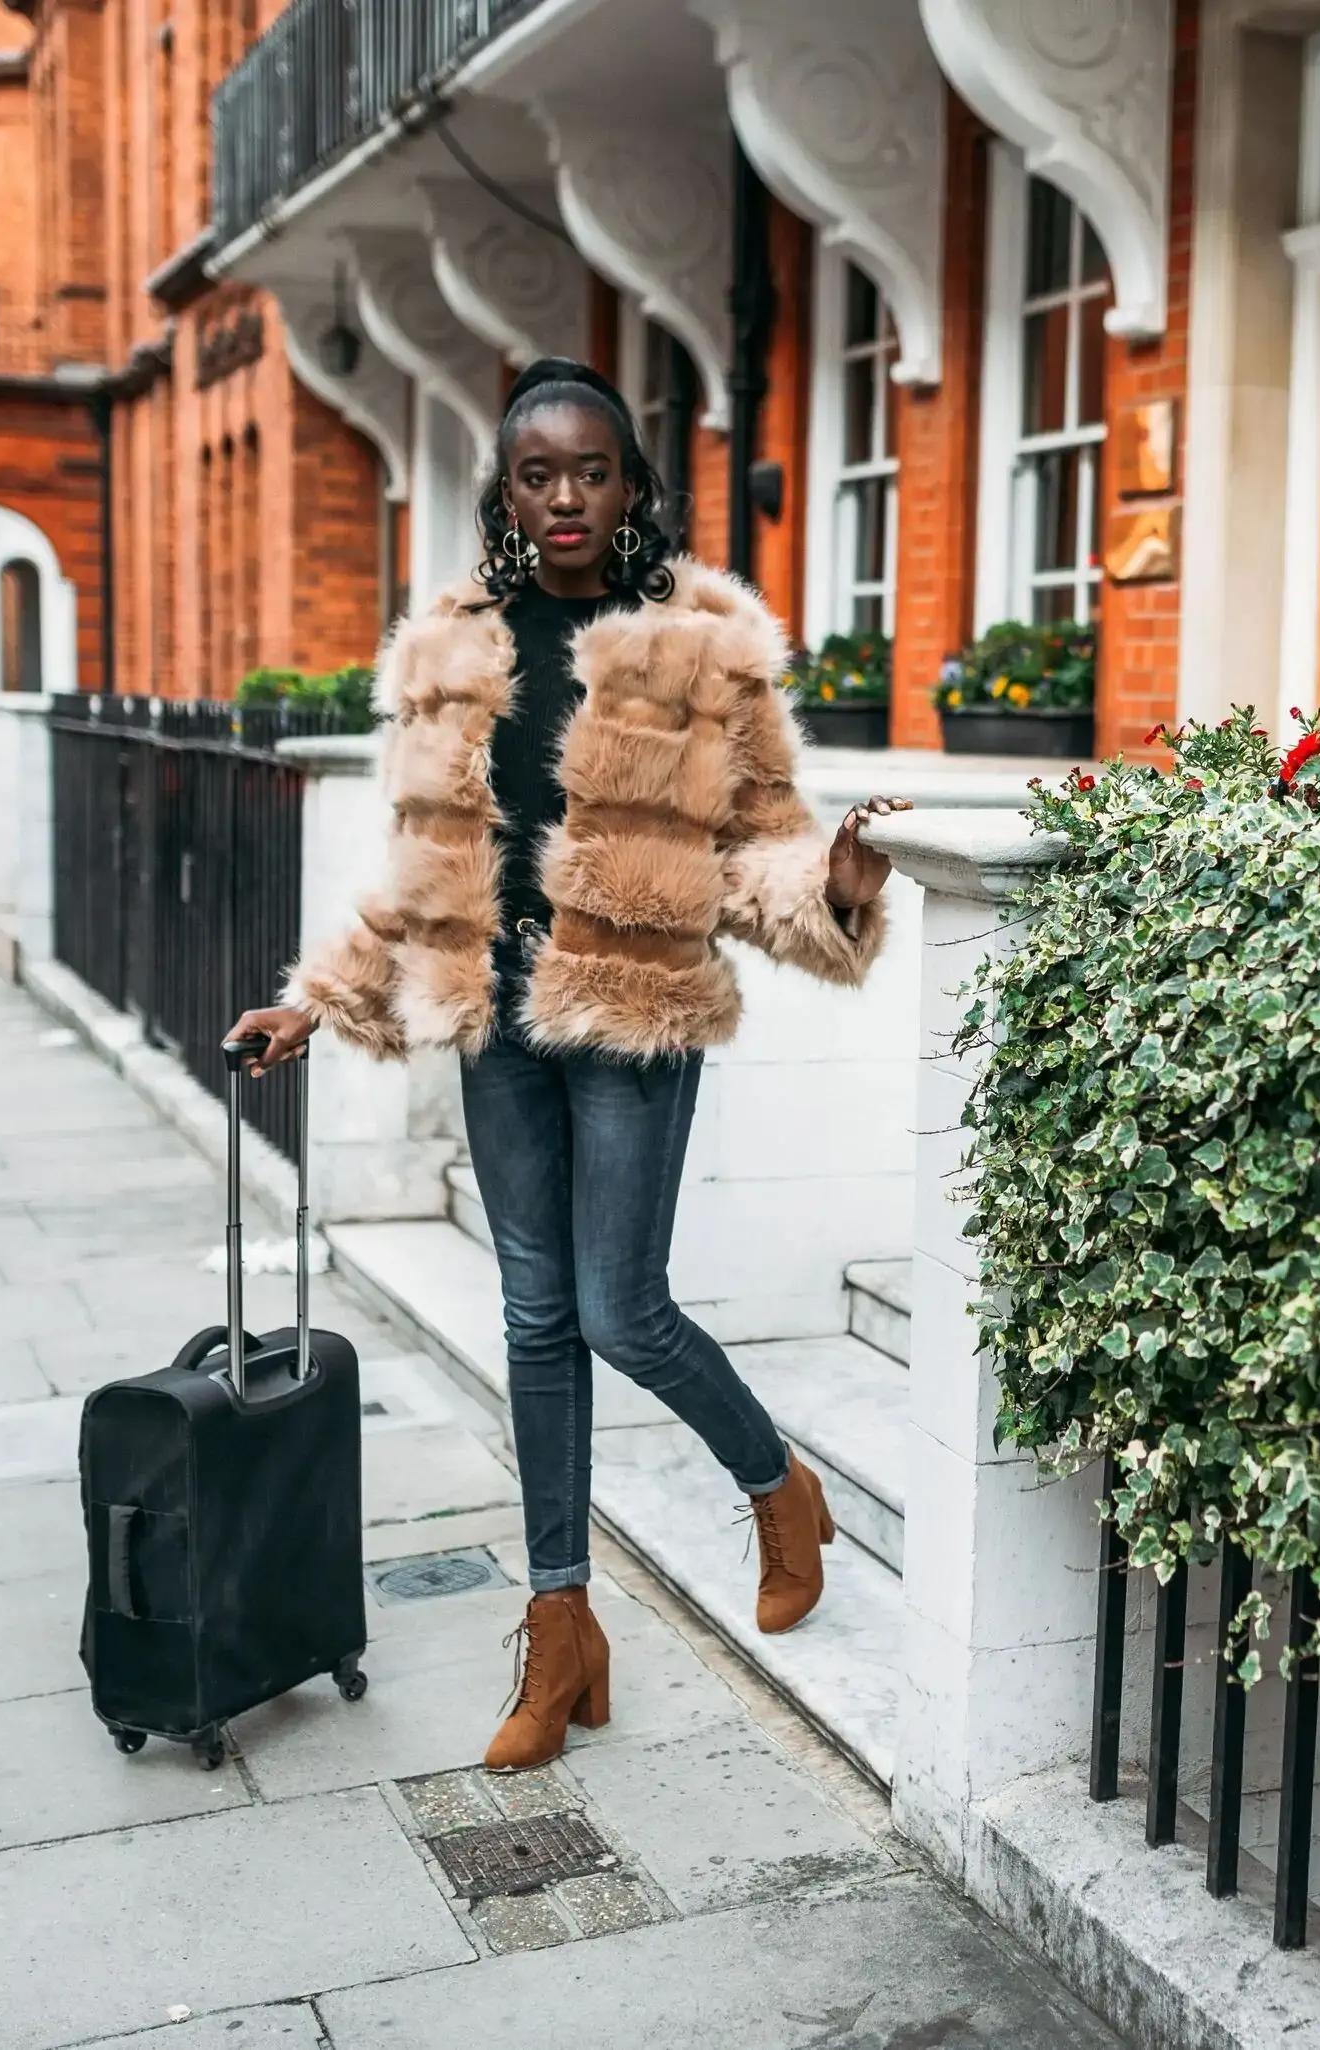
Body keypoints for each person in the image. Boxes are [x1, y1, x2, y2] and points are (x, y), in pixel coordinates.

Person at [227, 356, 908, 1773]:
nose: (565, 497)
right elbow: (420, 865)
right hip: (503, 1016)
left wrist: (831, 880)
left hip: (635, 1005)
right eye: (537, 474)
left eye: (591, 471)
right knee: (535, 1318)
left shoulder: (701, 648)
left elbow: (760, 839)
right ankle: (559, 1630)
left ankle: (776, 1483)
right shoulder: (450, 651)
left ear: (634, 486)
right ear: (507, 491)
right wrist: (313, 1003)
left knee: (620, 1306)